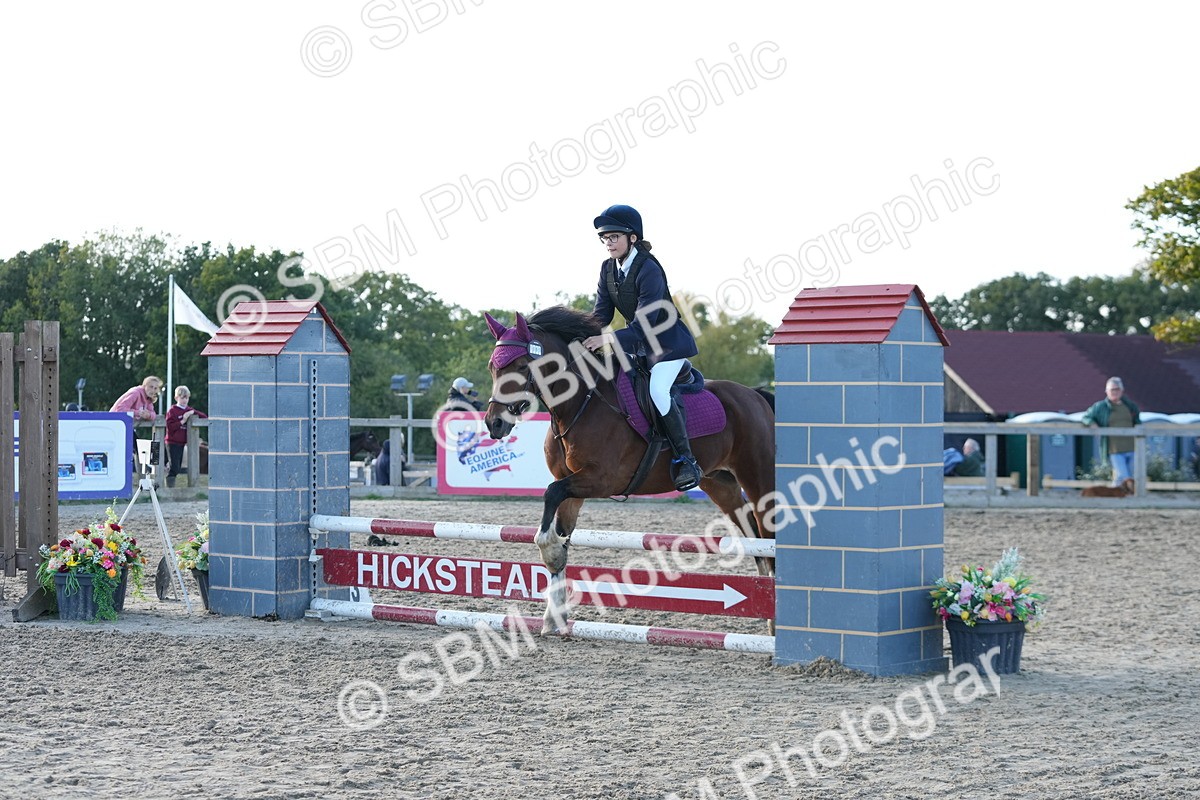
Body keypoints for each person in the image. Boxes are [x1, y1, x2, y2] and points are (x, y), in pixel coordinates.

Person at [582, 204, 702, 491]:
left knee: (657, 391)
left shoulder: (649, 268)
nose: (608, 243)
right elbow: (601, 314)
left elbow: (645, 321)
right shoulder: (608, 268)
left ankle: (686, 460)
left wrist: (608, 339)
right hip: (636, 346)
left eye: (613, 237)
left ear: (632, 238)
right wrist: (579, 336)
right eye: (604, 238)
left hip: (667, 345)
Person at [1081, 376, 1140, 487]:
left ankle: (1116, 498)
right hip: (1114, 449)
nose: (1114, 392)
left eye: (1117, 389)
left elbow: (1137, 421)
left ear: (1122, 391)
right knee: (1124, 475)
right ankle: (1127, 497)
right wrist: (1092, 424)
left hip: (1132, 447)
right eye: (1112, 389)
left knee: (1126, 476)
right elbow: (1086, 417)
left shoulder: (1130, 405)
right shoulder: (1101, 407)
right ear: (1106, 391)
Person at [164, 385, 207, 487]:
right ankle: (169, 485)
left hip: (182, 442)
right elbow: (170, 427)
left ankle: (170, 480)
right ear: (176, 398)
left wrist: (192, 412)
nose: (184, 400)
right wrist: (183, 420)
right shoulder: (172, 411)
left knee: (178, 466)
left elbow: (204, 417)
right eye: (182, 397)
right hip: (172, 441)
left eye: (186, 397)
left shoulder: (189, 410)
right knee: (175, 466)